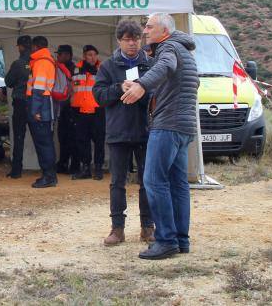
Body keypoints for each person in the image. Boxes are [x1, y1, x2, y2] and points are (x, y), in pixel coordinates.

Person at [121, 13, 199, 260]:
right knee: (178, 184)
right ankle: (180, 240)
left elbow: (165, 67)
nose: (144, 31)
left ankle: (165, 240)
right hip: (184, 127)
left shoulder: (169, 48)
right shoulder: (183, 50)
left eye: (149, 27)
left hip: (168, 125)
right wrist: (142, 85)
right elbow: (182, 82)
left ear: (164, 30)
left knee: (154, 181)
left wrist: (142, 84)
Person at [92, 20, 154, 246]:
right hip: (118, 132)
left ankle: (148, 227)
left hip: (146, 131)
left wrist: (142, 90)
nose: (132, 43)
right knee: (117, 182)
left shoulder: (151, 64)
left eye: (136, 38)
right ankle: (117, 229)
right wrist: (119, 88)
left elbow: (158, 95)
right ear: (119, 40)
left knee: (148, 181)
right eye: (127, 39)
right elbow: (98, 96)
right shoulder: (108, 66)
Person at [26, 36, 58, 188]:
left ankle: (49, 177)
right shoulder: (46, 60)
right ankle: (48, 175)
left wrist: (35, 110)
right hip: (44, 104)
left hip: (41, 105)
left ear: (35, 46)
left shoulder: (41, 62)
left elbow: (38, 89)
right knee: (45, 143)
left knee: (44, 144)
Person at [70, 45, 105, 180]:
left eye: (94, 55)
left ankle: (98, 168)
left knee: (99, 141)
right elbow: (72, 89)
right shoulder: (76, 69)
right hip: (80, 110)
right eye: (89, 55)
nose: (92, 57)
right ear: (84, 56)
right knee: (82, 141)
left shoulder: (102, 69)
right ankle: (85, 168)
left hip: (97, 110)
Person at [4, 35, 31, 179]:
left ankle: (16, 170)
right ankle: (46, 169)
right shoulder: (38, 62)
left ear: (20, 47)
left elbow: (8, 81)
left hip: (21, 102)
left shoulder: (18, 63)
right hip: (36, 103)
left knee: (19, 137)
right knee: (40, 138)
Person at [54, 45, 76, 175]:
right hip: (64, 108)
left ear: (68, 55)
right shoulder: (61, 68)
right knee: (63, 138)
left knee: (70, 138)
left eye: (60, 54)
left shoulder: (72, 70)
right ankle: (63, 163)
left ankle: (70, 165)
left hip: (70, 108)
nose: (58, 56)